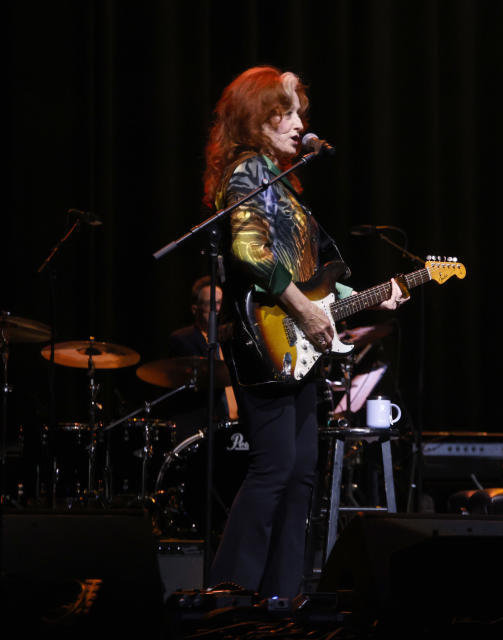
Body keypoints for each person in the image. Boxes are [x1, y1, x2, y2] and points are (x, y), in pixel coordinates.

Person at [201, 65, 407, 600]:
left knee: (300, 476)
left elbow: (316, 282)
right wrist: (305, 309)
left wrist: (367, 297)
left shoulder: (283, 186)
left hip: (294, 343)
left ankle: (280, 600)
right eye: (285, 112)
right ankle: (229, 594)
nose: (299, 124)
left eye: (299, 114)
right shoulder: (249, 172)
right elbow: (249, 252)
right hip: (266, 338)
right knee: (274, 471)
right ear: (255, 119)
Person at [166, 275, 239, 442]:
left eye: (220, 303)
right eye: (211, 304)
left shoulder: (229, 340)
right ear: (195, 308)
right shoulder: (184, 340)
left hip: (237, 424)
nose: (217, 309)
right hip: (205, 427)